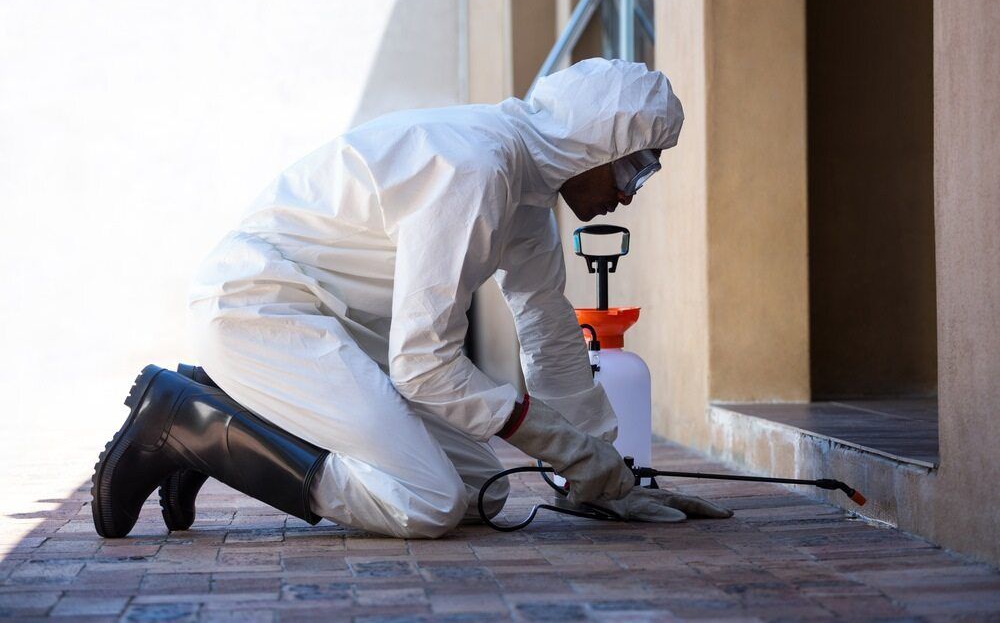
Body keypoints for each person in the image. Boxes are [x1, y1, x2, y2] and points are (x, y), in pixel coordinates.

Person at [91, 58, 732, 540]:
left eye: (646, 172)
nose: (631, 192)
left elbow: (546, 324)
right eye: (633, 167)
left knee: (485, 490)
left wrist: (599, 474)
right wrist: (568, 450)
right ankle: (189, 424)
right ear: (597, 142)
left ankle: (232, 401)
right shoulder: (475, 167)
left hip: (328, 327)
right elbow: (424, 364)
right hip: (259, 306)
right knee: (427, 502)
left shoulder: (527, 190)